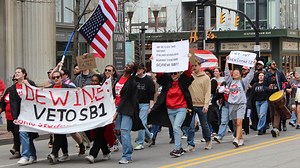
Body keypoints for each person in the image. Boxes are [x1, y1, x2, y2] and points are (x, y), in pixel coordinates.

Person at [149, 54, 193, 157]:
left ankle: (177, 148)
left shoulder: (183, 80)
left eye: (175, 73)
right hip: (170, 109)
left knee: (177, 127)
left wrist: (187, 59)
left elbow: (188, 72)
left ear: (179, 73)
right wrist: (153, 61)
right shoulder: (167, 81)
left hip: (181, 108)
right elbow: (159, 74)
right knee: (175, 128)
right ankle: (180, 148)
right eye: (172, 73)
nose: (173, 74)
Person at [10, 67, 38, 165]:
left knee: (28, 135)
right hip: (21, 116)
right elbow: (13, 103)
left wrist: (29, 86)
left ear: (24, 74)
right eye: (15, 72)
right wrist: (15, 117)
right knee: (23, 133)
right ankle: (26, 155)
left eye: (18, 72)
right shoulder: (12, 89)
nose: (16, 74)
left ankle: (32, 156)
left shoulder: (30, 83)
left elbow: (37, 94)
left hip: (30, 114)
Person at [225, 56, 255, 147]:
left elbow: (250, 76)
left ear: (240, 74)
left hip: (241, 104)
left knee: (239, 122)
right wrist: (227, 62)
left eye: (237, 73)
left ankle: (237, 139)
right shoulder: (230, 82)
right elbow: (226, 73)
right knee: (235, 123)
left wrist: (253, 66)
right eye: (234, 73)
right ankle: (241, 138)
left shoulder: (243, 82)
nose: (235, 74)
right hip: (232, 105)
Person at [183, 57, 212, 153]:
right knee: (190, 126)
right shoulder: (189, 77)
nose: (194, 67)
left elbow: (208, 92)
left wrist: (206, 104)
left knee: (204, 125)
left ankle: (208, 140)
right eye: (193, 66)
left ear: (200, 66)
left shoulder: (206, 78)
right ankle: (190, 144)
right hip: (191, 105)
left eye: (196, 65)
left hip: (201, 104)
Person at [46, 71, 74, 164]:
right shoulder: (49, 89)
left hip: (66, 115)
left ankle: (54, 154)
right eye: (54, 78)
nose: (56, 79)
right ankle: (65, 154)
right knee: (60, 134)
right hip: (54, 116)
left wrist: (78, 90)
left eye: (58, 77)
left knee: (59, 133)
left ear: (62, 77)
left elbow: (77, 96)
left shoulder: (68, 88)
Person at [113, 62, 138, 164]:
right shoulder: (119, 78)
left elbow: (125, 98)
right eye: (126, 65)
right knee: (117, 131)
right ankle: (128, 147)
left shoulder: (132, 82)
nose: (126, 67)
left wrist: (116, 113)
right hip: (117, 106)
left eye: (129, 66)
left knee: (124, 131)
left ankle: (127, 156)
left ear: (132, 70)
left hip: (127, 108)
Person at [85, 74, 112, 163]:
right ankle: (106, 152)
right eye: (92, 80)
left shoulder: (103, 90)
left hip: (102, 116)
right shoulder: (87, 90)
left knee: (99, 134)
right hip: (91, 117)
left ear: (100, 82)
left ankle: (92, 154)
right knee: (94, 134)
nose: (93, 82)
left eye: (95, 81)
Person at [134, 63, 155, 150]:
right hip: (135, 104)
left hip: (145, 104)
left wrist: (150, 107)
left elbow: (151, 95)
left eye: (139, 69)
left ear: (143, 69)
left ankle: (140, 142)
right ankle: (150, 136)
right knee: (138, 122)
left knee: (142, 122)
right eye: (136, 69)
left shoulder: (148, 80)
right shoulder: (134, 79)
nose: (138, 70)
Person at [264, 60, 288, 137]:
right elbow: (264, 86)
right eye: (273, 64)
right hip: (270, 97)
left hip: (279, 96)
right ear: (269, 66)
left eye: (275, 63)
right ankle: (277, 127)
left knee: (277, 112)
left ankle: (275, 128)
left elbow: (285, 82)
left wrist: (283, 90)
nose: (275, 65)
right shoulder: (267, 75)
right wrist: (268, 88)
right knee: (271, 113)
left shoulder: (279, 73)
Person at [0, 76, 21, 159]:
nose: (15, 81)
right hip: (9, 116)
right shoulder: (9, 90)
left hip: (18, 116)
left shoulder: (22, 90)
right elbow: (3, 102)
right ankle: (17, 145)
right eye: (14, 80)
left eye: (16, 80)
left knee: (17, 133)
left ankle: (17, 150)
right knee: (12, 130)